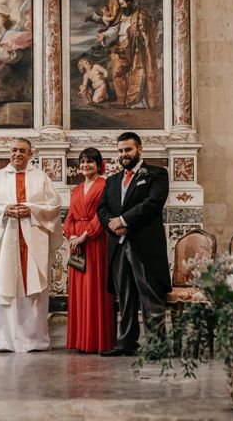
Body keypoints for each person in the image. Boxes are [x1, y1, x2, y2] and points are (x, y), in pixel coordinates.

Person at [0, 138, 63, 352]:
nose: (18, 154)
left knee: (34, 287)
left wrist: (31, 209)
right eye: (14, 150)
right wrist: (5, 209)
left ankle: (35, 340)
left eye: (23, 151)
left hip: (33, 239)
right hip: (7, 239)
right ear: (10, 153)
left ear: (30, 154)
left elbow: (54, 205)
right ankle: (6, 340)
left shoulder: (41, 177)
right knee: (5, 286)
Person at [97, 132, 171, 356]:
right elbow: (102, 209)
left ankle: (158, 346)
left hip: (144, 244)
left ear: (139, 149)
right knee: (125, 296)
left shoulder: (156, 174)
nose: (123, 154)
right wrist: (112, 225)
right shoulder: (112, 180)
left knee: (150, 296)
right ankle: (126, 343)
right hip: (118, 244)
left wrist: (123, 220)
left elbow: (153, 203)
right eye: (120, 151)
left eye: (127, 150)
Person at [64, 148, 115, 353]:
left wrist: (86, 235)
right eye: (82, 162)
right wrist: (72, 236)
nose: (85, 165)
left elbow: (104, 214)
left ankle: (97, 340)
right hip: (77, 245)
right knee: (78, 291)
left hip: (96, 241)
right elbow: (69, 218)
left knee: (95, 288)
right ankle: (80, 339)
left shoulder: (106, 185)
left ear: (99, 165)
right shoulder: (76, 190)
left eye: (90, 162)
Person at [96, 0, 160, 109]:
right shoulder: (121, 15)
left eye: (123, 4)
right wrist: (104, 35)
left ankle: (134, 101)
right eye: (120, 4)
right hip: (121, 46)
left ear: (129, 2)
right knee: (118, 72)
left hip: (135, 47)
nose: (121, 6)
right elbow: (114, 29)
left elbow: (147, 29)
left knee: (136, 72)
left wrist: (139, 33)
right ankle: (121, 99)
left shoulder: (140, 14)